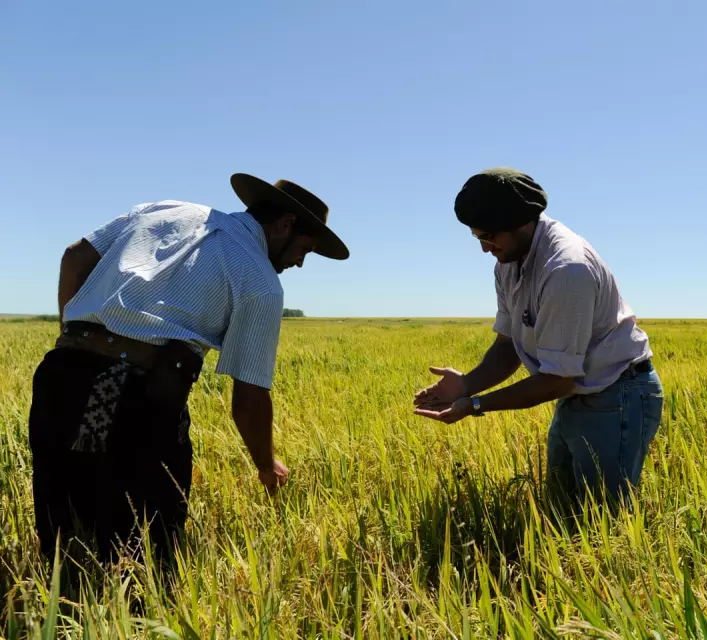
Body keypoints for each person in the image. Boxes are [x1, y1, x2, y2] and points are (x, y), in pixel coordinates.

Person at [28, 173, 349, 568]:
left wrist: (73, 337)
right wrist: (266, 465)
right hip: (138, 400)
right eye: (304, 248)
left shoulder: (164, 209)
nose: (300, 262)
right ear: (284, 225)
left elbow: (75, 256)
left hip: (59, 377)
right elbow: (249, 395)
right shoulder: (261, 282)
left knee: (61, 539)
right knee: (144, 558)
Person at [414, 168, 663, 511]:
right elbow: (507, 346)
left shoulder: (565, 270)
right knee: (562, 504)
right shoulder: (508, 261)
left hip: (617, 393)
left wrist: (474, 406)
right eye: (477, 238)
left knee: (603, 515)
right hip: (581, 392)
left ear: (521, 223)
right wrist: (467, 385)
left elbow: (557, 382)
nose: (485, 249)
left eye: (489, 236)